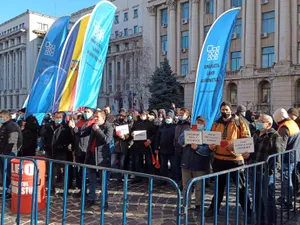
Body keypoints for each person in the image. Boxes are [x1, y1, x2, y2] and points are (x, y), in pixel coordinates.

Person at [204, 101, 251, 219]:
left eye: (226, 109)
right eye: (223, 109)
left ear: (231, 110)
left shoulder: (239, 122)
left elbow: (246, 138)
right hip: (219, 159)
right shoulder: (216, 123)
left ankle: (248, 210)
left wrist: (236, 145)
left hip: (235, 160)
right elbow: (211, 136)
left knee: (241, 187)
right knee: (219, 186)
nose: (224, 111)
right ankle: (214, 208)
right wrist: (211, 145)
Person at [243, 114, 284, 225]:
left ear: (269, 124)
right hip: (252, 170)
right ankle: (259, 221)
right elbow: (251, 152)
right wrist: (247, 156)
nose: (258, 122)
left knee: (268, 200)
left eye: (262, 121)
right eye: (258, 120)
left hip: (265, 173)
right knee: (256, 199)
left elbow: (277, 157)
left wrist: (271, 171)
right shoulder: (255, 134)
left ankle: (271, 222)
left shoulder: (274, 136)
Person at [178, 116, 210, 210]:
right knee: (186, 186)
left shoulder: (207, 134)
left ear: (204, 124)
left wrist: (198, 148)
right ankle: (186, 204)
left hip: (200, 164)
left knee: (199, 187)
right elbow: (180, 141)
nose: (199, 124)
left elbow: (208, 150)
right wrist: (188, 137)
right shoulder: (188, 130)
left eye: (201, 122)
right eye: (197, 122)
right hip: (186, 163)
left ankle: (198, 204)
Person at [85, 110, 114, 209]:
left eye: (97, 117)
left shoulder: (109, 127)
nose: (95, 119)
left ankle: (104, 202)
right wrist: (75, 128)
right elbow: (82, 133)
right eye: (95, 117)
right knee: (92, 180)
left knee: (103, 182)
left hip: (102, 159)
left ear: (103, 118)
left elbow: (106, 140)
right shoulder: (93, 125)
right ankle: (91, 199)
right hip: (92, 157)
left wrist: (98, 130)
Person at [40, 112, 74, 194]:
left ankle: (66, 189)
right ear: (53, 117)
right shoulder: (49, 126)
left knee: (64, 171)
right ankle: (52, 188)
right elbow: (42, 135)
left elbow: (70, 139)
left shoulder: (65, 127)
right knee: (52, 171)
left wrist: (72, 129)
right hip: (50, 152)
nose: (58, 119)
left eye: (60, 117)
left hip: (61, 152)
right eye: (57, 117)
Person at [273, 108, 300, 208]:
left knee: (286, 179)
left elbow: (281, 146)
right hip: (295, 155)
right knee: (288, 178)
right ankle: (284, 197)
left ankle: (287, 202)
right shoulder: (292, 123)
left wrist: (278, 161)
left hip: (288, 158)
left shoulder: (284, 128)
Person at [70, 107, 94, 196]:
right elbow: (75, 135)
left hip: (87, 150)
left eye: (88, 112)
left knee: (87, 172)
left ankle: (87, 190)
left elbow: (82, 133)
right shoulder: (80, 122)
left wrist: (75, 129)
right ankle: (81, 189)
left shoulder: (92, 122)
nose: (86, 113)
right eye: (85, 112)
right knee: (79, 172)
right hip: (78, 150)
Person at [0, 110, 23, 198]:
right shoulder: (4, 126)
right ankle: (6, 190)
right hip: (3, 153)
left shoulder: (12, 126)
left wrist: (5, 154)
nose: (0, 119)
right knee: (4, 173)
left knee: (9, 173)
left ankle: (10, 190)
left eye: (1, 117)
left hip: (9, 154)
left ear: (6, 117)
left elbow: (12, 142)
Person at [131, 111, 156, 181]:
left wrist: (150, 140)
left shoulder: (150, 123)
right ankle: (138, 177)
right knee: (137, 161)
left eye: (144, 114)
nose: (142, 115)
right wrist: (132, 133)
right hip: (137, 145)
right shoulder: (136, 122)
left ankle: (149, 177)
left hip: (147, 145)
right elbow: (132, 130)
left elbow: (154, 134)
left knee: (149, 161)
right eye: (141, 114)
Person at [155, 110, 176, 179]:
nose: (167, 119)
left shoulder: (175, 127)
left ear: (172, 118)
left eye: (169, 118)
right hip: (163, 149)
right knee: (163, 165)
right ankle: (163, 179)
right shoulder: (162, 126)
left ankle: (173, 178)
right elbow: (157, 138)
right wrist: (156, 147)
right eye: (167, 117)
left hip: (172, 149)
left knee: (173, 165)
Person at [174, 108, 191, 189]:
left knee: (184, 168)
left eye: (182, 114)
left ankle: (184, 184)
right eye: (179, 114)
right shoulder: (177, 124)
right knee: (177, 167)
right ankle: (178, 183)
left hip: (185, 149)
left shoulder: (189, 125)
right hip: (177, 149)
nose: (180, 115)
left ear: (187, 115)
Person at [112, 111, 130, 177]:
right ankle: (112, 175)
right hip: (115, 145)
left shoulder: (126, 124)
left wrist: (126, 136)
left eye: (122, 116)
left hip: (123, 146)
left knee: (121, 163)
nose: (121, 117)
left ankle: (120, 177)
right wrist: (117, 135)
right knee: (112, 162)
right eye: (120, 116)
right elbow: (112, 133)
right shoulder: (114, 123)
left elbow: (129, 135)